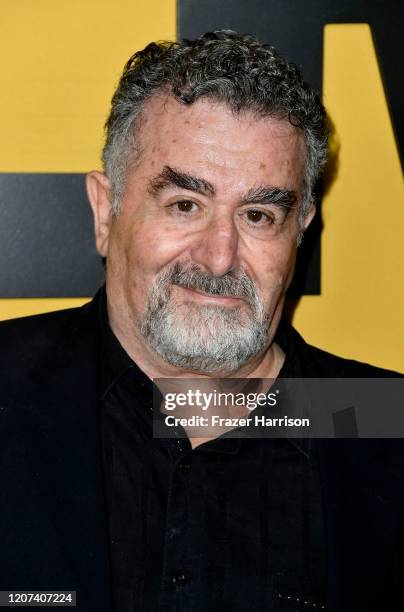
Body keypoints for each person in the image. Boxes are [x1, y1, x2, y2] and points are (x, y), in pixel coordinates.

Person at [0, 30, 403, 612]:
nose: (219, 256)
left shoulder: (386, 428)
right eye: (185, 205)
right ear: (104, 212)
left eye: (259, 215)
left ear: (301, 230)